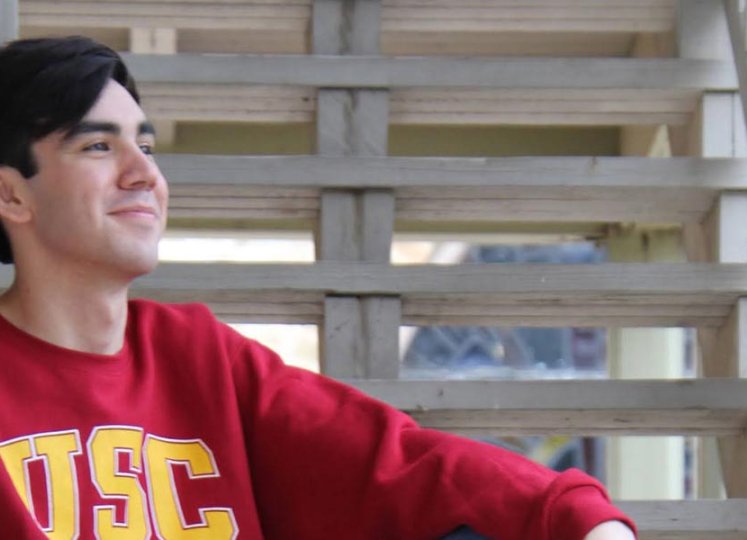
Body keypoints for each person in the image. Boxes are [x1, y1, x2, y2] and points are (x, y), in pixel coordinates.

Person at [0, 35, 637, 540]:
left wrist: (574, 518)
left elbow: (390, 460)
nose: (146, 174)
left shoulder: (199, 355)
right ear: (11, 193)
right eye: (96, 147)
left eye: (145, 144)